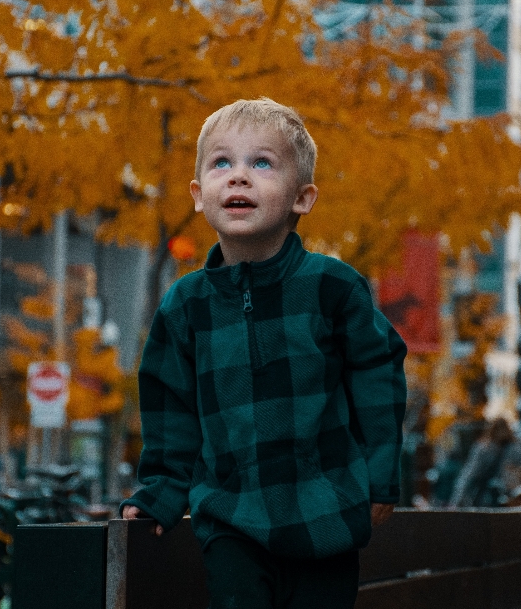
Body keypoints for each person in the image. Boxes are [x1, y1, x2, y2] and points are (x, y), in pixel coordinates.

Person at [120, 98, 408, 609]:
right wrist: (161, 496)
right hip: (232, 514)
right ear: (198, 195)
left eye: (262, 163)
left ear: (302, 198)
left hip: (327, 511)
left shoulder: (332, 287)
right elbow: (170, 413)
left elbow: (377, 378)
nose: (238, 178)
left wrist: (380, 477)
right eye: (221, 163)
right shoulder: (184, 308)